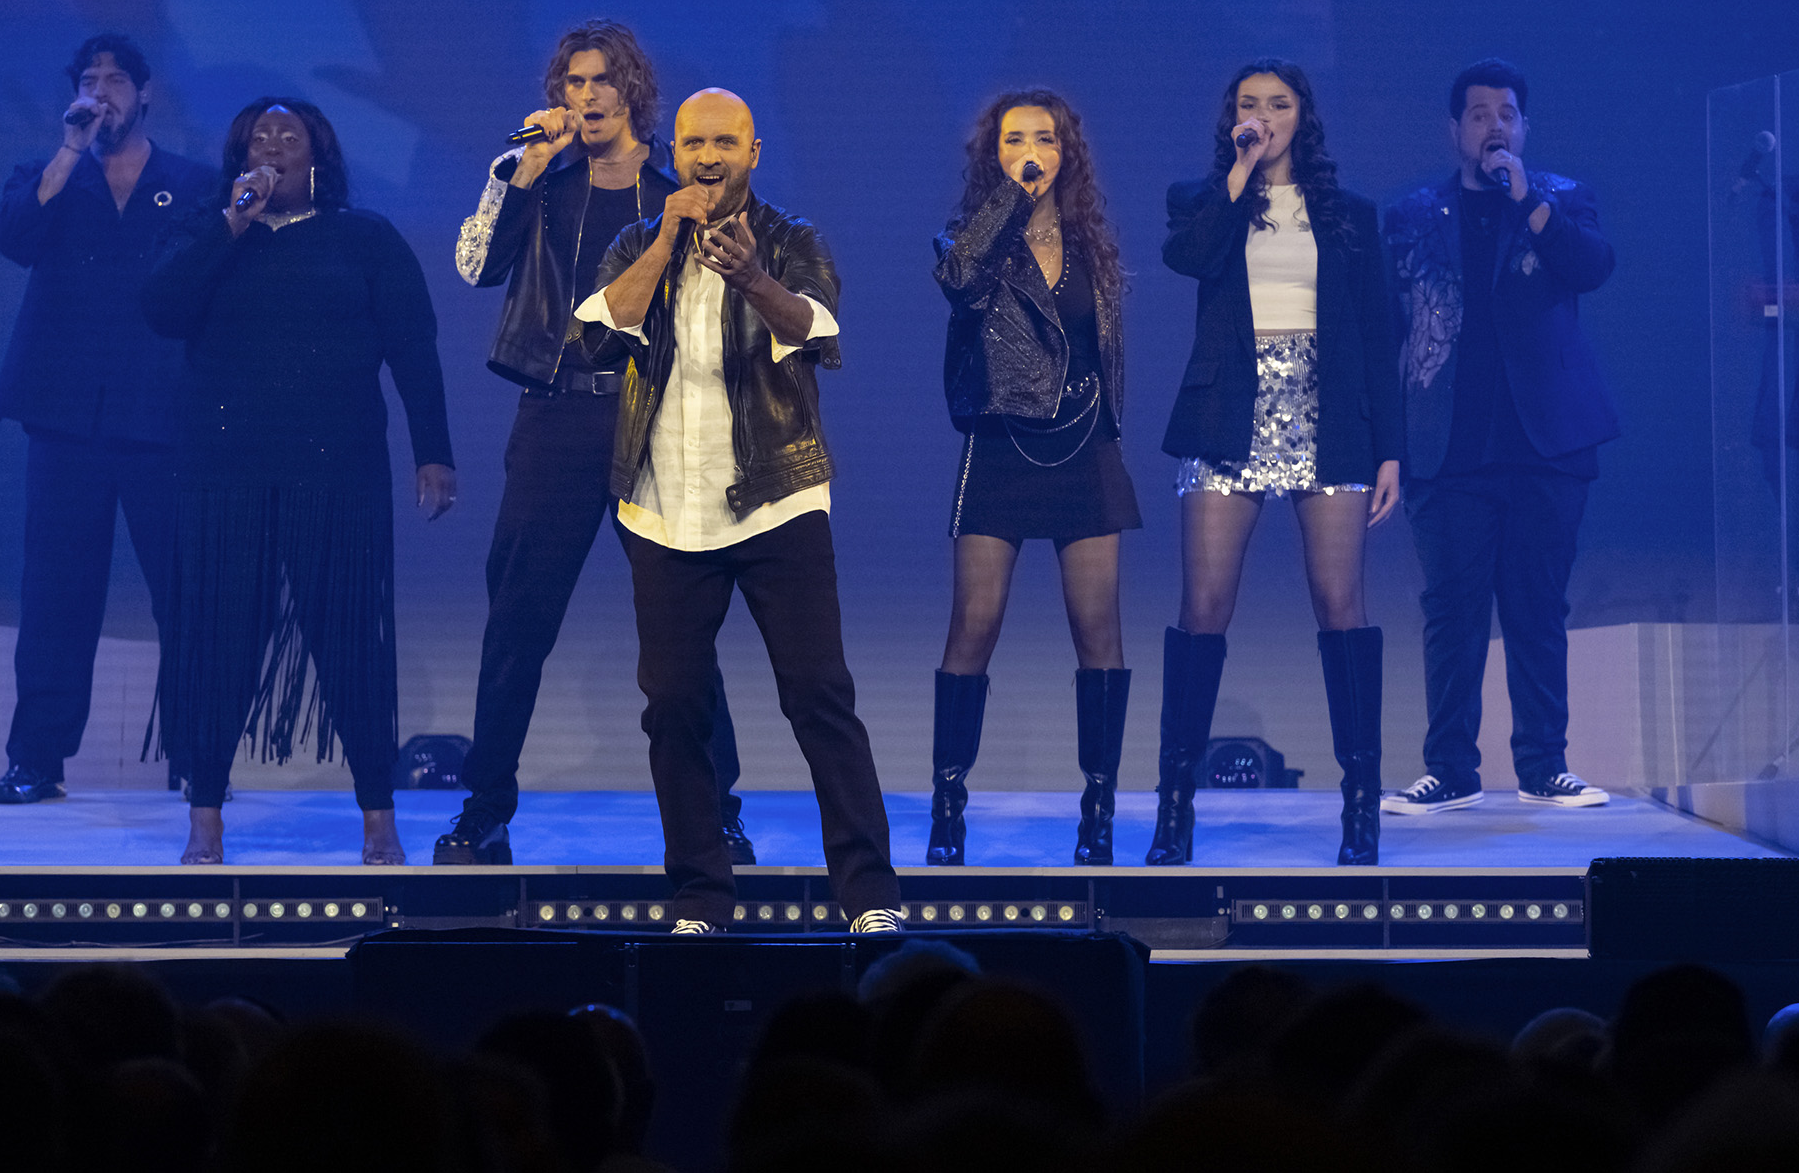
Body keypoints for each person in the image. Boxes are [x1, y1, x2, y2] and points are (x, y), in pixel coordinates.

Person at [573, 88, 903, 933]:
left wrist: (749, 274)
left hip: (777, 501)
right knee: (676, 709)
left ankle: (869, 899)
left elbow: (818, 333)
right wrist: (667, 242)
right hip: (663, 510)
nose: (707, 157)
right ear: (672, 154)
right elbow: (598, 338)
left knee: (819, 697)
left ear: (754, 153)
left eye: (725, 143)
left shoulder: (792, 240)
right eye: (692, 144)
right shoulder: (635, 237)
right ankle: (700, 899)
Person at [440, 20, 753, 866]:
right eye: (572, 83)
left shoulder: (672, 191)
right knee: (518, 621)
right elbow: (475, 269)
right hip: (554, 419)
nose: (584, 97)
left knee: (681, 625)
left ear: (632, 93)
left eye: (601, 82)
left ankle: (717, 813)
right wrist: (514, 177)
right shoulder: (539, 185)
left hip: (651, 417)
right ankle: (485, 810)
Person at [141, 96, 457, 865]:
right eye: (259, 136)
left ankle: (378, 815)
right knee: (220, 641)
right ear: (240, 158)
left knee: (350, 641)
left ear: (319, 154)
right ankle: (205, 816)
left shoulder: (365, 238)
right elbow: (161, 309)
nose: (274, 144)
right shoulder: (211, 229)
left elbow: (413, 349)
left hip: (335, 466)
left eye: (290, 134)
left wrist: (434, 451)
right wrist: (231, 224)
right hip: (226, 468)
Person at [1154, 59, 1402, 867]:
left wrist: (1390, 447)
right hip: (1230, 411)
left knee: (1340, 602)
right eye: (1248, 104)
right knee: (1205, 607)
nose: (1263, 114)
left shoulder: (1352, 217)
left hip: (1329, 415)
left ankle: (1360, 808)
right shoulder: (1204, 199)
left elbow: (1379, 338)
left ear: (1305, 117)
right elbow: (1188, 259)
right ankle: (1175, 808)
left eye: (1279, 104)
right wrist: (1239, 173)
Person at [0, 34, 216, 804]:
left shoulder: (190, 182)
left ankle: (196, 758)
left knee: (182, 591)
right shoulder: (50, 176)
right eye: (90, 80)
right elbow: (11, 237)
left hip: (163, 415)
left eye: (117, 80)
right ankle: (36, 759)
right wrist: (67, 151)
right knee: (56, 592)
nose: (103, 91)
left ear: (145, 95)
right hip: (63, 416)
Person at [1381, 59, 1617, 815]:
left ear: (1524, 127)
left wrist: (1532, 203)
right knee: (1452, 609)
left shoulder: (1561, 201)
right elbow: (1388, 331)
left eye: (1506, 113)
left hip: (1545, 444)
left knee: (1537, 607)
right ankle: (1450, 768)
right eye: (1479, 114)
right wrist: (1386, 445)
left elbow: (1591, 268)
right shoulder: (1413, 215)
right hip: (1445, 448)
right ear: (1455, 129)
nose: (1494, 126)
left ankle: (1545, 764)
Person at [928, 89, 1139, 866]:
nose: (1032, 150)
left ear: (1066, 152)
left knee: (1099, 635)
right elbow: (957, 282)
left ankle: (1099, 812)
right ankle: (949, 807)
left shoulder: (1094, 248)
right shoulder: (970, 235)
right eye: (1015, 139)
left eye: (1045, 138)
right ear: (995, 154)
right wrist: (1008, 204)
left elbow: (1103, 353)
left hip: (1083, 446)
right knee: (974, 627)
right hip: (1002, 442)